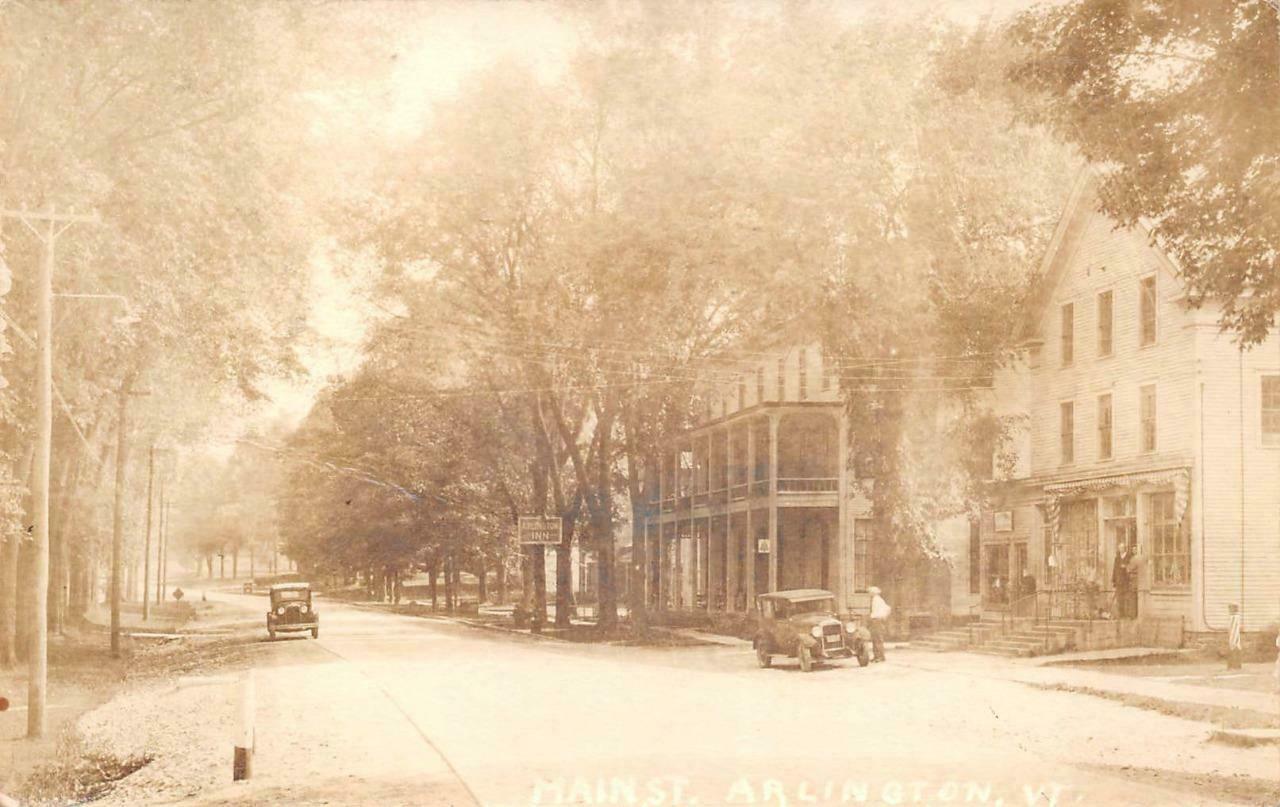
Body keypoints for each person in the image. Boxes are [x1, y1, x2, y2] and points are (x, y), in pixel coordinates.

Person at [868, 586, 891, 663]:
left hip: (877, 620)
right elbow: (887, 608)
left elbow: (887, 609)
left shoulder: (877, 600)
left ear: (873, 593)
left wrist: (881, 617)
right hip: (877, 620)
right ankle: (877, 656)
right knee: (876, 639)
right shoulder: (878, 600)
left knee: (877, 639)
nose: (869, 594)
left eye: (870, 592)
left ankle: (880, 657)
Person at [1111, 543, 1131, 619]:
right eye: (1119, 548)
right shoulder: (1117, 558)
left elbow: (1131, 567)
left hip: (1126, 580)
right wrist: (1114, 580)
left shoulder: (1128, 557)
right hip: (1119, 581)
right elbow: (1114, 569)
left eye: (1122, 548)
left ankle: (1127, 614)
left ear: (1124, 548)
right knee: (1119, 598)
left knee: (1127, 597)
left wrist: (1125, 567)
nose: (1121, 549)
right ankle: (1121, 614)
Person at [1227, 604, 1243, 671]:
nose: (1229, 610)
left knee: (1234, 650)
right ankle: (1234, 666)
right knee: (1233, 650)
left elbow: (1234, 628)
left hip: (1234, 636)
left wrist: (1233, 638)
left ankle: (1234, 666)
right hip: (1232, 636)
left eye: (1230, 608)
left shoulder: (1235, 617)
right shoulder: (1233, 617)